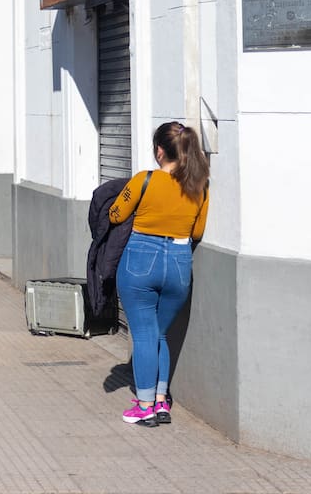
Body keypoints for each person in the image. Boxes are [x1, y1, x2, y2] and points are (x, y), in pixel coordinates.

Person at [109, 121, 210, 427]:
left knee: (143, 336)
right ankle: (161, 401)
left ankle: (144, 406)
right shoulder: (200, 187)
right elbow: (198, 231)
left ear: (160, 150)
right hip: (179, 261)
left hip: (141, 258)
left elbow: (116, 214)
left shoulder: (145, 180)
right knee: (159, 333)